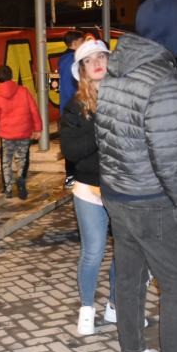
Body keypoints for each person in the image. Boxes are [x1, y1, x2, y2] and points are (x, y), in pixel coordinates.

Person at [94, 0, 177, 352]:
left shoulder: (116, 70)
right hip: (153, 199)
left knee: (131, 277)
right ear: (176, 31)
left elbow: (107, 138)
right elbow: (171, 156)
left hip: (118, 196)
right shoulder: (165, 79)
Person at [59, 39, 117, 335]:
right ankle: (86, 308)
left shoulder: (124, 100)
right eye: (88, 60)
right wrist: (101, 126)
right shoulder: (74, 107)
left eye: (101, 57)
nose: (97, 63)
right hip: (89, 189)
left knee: (127, 253)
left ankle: (116, 306)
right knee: (93, 251)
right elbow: (72, 150)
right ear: (81, 69)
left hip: (122, 189)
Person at [0, 65, 41, 199]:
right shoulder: (24, 91)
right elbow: (34, 110)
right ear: (12, 77)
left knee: (6, 161)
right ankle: (21, 179)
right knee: (21, 158)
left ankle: (8, 189)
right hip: (23, 133)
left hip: (6, 135)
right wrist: (38, 129)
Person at [57, 30, 86, 188]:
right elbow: (71, 88)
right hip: (74, 109)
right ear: (75, 44)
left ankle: (71, 175)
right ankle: (72, 176)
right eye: (82, 42)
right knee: (77, 142)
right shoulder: (72, 60)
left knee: (72, 142)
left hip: (67, 108)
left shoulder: (63, 59)